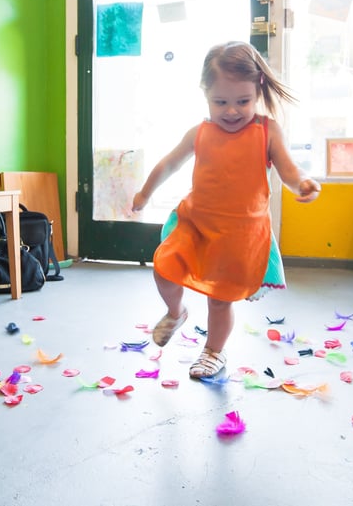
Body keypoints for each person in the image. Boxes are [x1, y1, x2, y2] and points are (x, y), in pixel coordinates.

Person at [131, 41, 321, 379]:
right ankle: (175, 313)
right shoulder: (200, 132)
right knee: (163, 269)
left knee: (220, 300)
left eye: (242, 101)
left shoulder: (267, 132)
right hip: (196, 223)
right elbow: (170, 163)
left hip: (239, 234)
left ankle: (213, 352)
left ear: (258, 90)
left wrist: (303, 184)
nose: (231, 111)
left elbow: (290, 172)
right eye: (220, 102)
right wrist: (145, 192)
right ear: (205, 94)